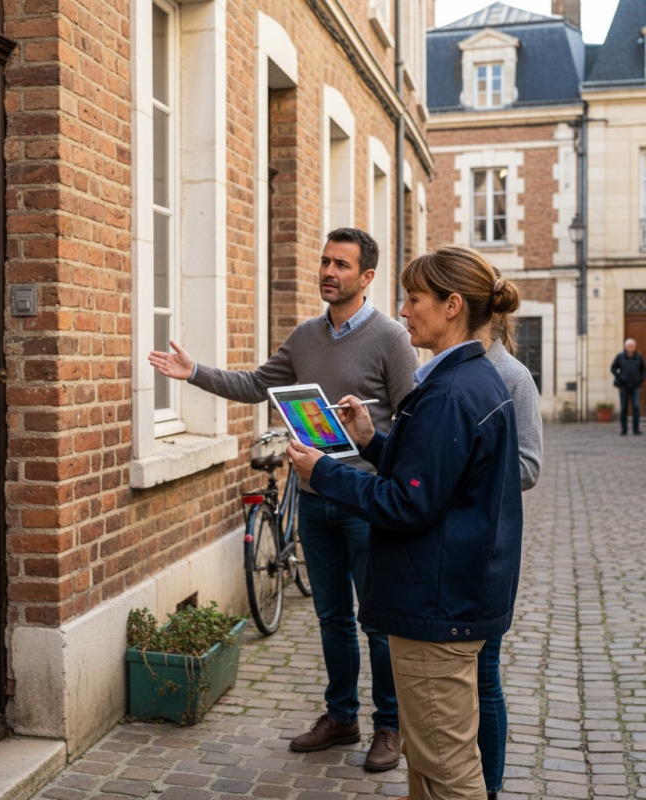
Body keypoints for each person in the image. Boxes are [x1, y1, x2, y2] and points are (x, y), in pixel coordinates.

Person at [148, 228, 419, 770]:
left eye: (341, 264)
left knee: (379, 620)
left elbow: (411, 422)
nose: (328, 272)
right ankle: (342, 716)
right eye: (324, 262)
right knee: (332, 616)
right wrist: (193, 372)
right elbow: (256, 385)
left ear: (366, 277)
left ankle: (390, 727)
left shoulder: (392, 339)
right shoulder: (305, 338)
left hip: (368, 504)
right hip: (316, 499)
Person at [288, 245, 524, 800]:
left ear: (452, 305)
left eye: (414, 298)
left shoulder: (451, 393)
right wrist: (372, 442)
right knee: (427, 762)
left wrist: (324, 471)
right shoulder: (467, 382)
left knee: (446, 769)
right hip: (447, 598)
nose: (404, 309)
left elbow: (406, 503)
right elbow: (433, 479)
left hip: (435, 608)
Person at [476, 301, 543, 800]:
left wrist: (462, 470)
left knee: (484, 676)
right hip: (444, 547)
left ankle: (491, 785)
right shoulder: (437, 369)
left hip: (487, 546)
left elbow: (528, 466)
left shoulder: (512, 376)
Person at [610, 338, 644, 435]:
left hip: (635, 387)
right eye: (629, 346)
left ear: (635, 347)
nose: (630, 348)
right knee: (624, 408)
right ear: (625, 347)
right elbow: (613, 368)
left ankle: (636, 430)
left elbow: (643, 370)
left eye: (632, 346)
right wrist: (619, 376)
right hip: (623, 386)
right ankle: (624, 430)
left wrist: (640, 379)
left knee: (636, 408)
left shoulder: (639, 357)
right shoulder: (620, 357)